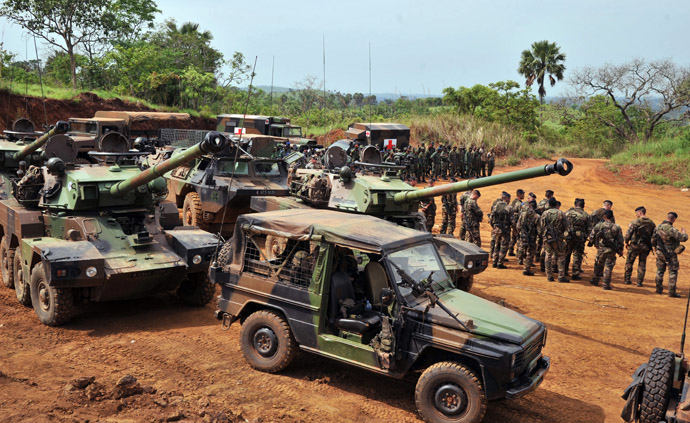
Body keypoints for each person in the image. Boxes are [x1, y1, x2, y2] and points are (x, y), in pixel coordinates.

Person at [653, 212, 688, 297]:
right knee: (673, 272)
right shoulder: (672, 229)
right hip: (671, 254)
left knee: (660, 271)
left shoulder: (658, 227)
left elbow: (653, 240)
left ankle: (658, 289)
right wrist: (684, 232)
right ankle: (671, 292)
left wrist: (657, 248)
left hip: (660, 252)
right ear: (674, 219)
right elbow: (683, 238)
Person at [588, 210, 624, 290]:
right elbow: (620, 240)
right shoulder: (616, 227)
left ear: (605, 216)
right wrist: (621, 249)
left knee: (598, 265)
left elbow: (592, 236)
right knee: (608, 267)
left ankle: (595, 280)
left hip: (601, 249)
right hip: (611, 250)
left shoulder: (599, 225)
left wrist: (595, 243)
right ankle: (606, 284)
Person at [623, 206, 656, 286]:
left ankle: (627, 280)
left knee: (629, 262)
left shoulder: (635, 222)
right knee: (642, 264)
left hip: (635, 245)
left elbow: (629, 233)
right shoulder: (651, 223)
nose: (636, 215)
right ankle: (639, 282)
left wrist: (626, 241)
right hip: (645, 247)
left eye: (637, 213)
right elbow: (654, 235)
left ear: (640, 212)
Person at [540, 197, 569, 282]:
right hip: (558, 238)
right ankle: (561, 276)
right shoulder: (561, 213)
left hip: (547, 237)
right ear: (556, 204)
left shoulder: (545, 213)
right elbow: (566, 226)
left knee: (548, 255)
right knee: (561, 255)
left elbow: (541, 226)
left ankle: (549, 275)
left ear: (548, 204)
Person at [564, 198, 591, 280]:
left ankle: (564, 270)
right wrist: (585, 236)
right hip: (579, 238)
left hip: (568, 236)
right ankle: (575, 273)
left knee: (566, 254)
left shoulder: (568, 213)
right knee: (577, 255)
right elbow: (589, 228)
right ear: (583, 205)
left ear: (575, 204)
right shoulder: (586, 215)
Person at [490, 192, 512, 269]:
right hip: (505, 230)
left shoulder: (496, 206)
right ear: (507, 198)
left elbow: (491, 218)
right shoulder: (508, 208)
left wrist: (494, 226)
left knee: (496, 245)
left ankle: (494, 262)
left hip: (496, 229)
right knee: (504, 246)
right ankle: (500, 263)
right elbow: (512, 220)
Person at [517, 200, 539, 276]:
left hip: (523, 235)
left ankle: (520, 260)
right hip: (532, 237)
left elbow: (518, 226)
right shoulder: (537, 216)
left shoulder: (523, 214)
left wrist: (520, 233)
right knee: (530, 252)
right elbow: (539, 229)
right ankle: (526, 269)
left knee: (522, 247)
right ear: (535, 207)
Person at [509, 189, 525, 257]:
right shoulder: (520, 204)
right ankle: (519, 253)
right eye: (523, 194)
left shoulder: (513, 202)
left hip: (513, 222)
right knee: (518, 237)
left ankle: (510, 250)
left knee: (514, 237)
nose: (524, 195)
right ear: (520, 195)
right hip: (517, 223)